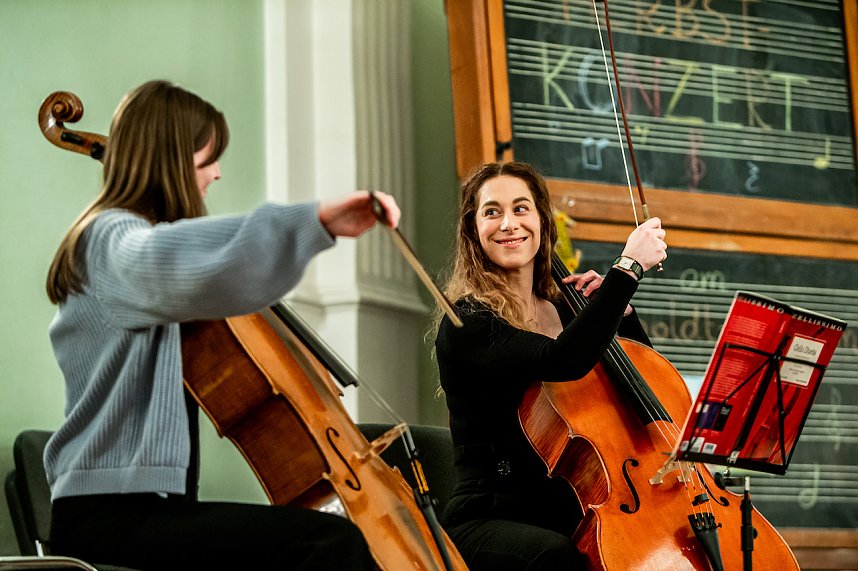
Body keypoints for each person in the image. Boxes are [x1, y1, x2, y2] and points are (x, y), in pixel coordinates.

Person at [43, 80, 399, 570]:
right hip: (105, 515)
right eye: (206, 158)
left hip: (146, 510)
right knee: (326, 543)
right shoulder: (109, 239)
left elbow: (202, 268)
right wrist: (314, 221)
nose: (216, 173)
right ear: (171, 161)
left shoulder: (131, 248)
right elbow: (167, 256)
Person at [433, 161, 667, 570]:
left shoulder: (565, 306)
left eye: (521, 208)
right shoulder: (467, 320)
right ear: (473, 229)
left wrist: (620, 313)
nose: (509, 223)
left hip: (566, 505)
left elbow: (644, 382)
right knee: (557, 557)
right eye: (492, 212)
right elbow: (561, 360)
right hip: (491, 516)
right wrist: (627, 269)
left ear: (542, 222)